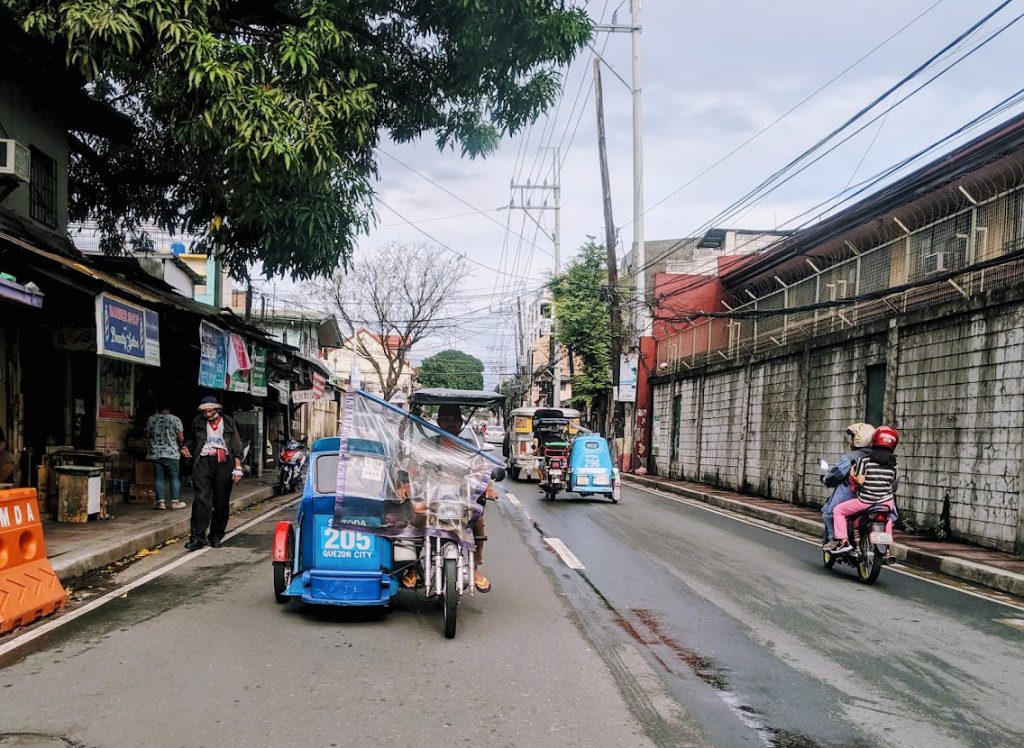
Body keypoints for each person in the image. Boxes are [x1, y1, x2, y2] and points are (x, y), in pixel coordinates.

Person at [436, 403, 496, 593]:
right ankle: (412, 567)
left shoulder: (469, 448)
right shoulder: (427, 444)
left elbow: (482, 468)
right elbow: (413, 465)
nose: (450, 423)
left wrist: (488, 487)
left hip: (462, 498)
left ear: (461, 423)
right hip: (433, 497)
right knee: (412, 517)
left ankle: (475, 567)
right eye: (445, 419)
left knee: (478, 520)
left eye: (454, 419)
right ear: (438, 422)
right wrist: (406, 483)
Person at [180, 396, 244, 550]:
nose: (207, 414)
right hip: (203, 461)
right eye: (205, 411)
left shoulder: (228, 422)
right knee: (201, 499)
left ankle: (216, 535)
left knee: (221, 501)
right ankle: (197, 538)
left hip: (224, 463)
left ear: (217, 410)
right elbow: (191, 439)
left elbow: (236, 444)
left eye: (210, 411)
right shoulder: (198, 422)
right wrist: (185, 447)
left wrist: (238, 467)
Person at [827, 426, 900, 557]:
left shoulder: (864, 460)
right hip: (886, 502)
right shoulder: (894, 464)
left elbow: (860, 481)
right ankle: (887, 548)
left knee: (838, 510)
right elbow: (892, 481)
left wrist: (852, 473)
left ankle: (843, 541)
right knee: (888, 517)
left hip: (866, 501)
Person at [820, 422, 874, 546]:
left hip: (851, 496)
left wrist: (825, 479)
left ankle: (836, 541)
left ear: (860, 439)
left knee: (828, 513)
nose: (851, 441)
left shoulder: (850, 458)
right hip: (877, 499)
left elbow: (835, 476)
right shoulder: (879, 457)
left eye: (852, 438)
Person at [145, 403, 186, 510]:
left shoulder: (151, 419)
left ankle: (160, 503)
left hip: (156, 453)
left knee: (158, 478)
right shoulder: (175, 420)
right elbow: (181, 438)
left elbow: (147, 435)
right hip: (172, 453)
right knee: (174, 478)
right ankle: (174, 502)